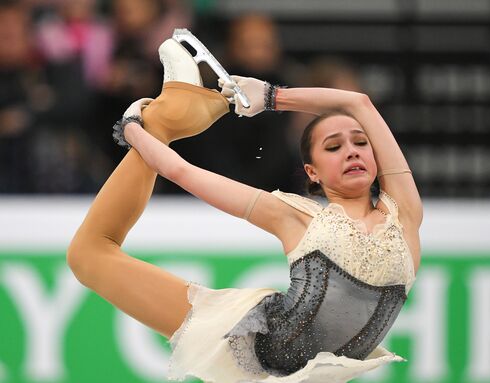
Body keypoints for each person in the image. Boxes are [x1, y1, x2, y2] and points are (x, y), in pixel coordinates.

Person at [67, 37, 422, 383]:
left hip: (306, 378)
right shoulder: (295, 215)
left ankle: (171, 114)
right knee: (88, 255)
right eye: (334, 147)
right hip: (244, 341)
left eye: (361, 142)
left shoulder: (404, 212)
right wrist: (137, 131)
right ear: (312, 172)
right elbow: (180, 172)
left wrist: (270, 97)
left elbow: (360, 104)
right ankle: (165, 120)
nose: (352, 151)